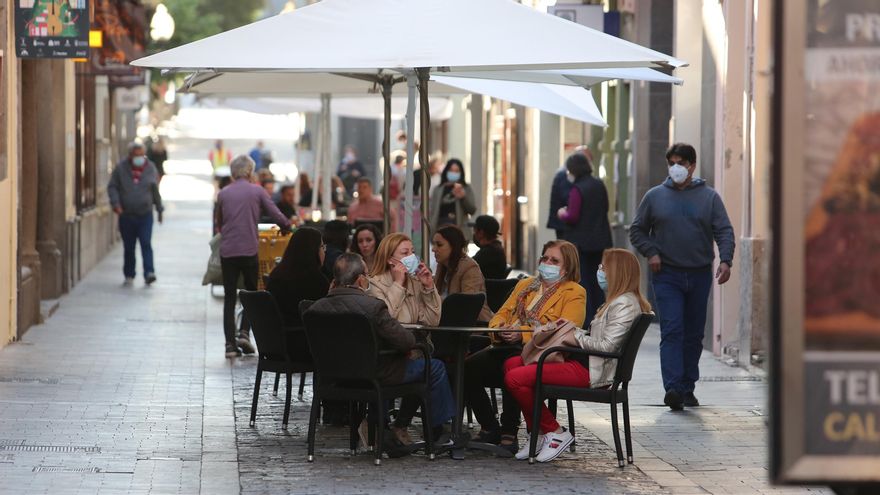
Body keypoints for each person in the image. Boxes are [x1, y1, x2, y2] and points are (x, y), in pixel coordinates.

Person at [503, 248, 652, 462]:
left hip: (591, 371)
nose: (599, 271)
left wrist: (575, 336)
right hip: (584, 361)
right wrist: (571, 330)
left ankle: (554, 433)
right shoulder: (616, 301)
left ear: (617, 272)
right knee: (512, 363)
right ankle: (537, 433)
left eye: (603, 267)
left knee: (515, 378)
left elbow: (608, 347)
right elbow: (600, 338)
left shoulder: (624, 304)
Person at [304, 253, 456, 446]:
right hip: (374, 374)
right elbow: (406, 341)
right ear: (360, 279)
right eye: (366, 275)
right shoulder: (372, 307)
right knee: (434, 367)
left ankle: (381, 428)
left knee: (389, 362)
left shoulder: (314, 309)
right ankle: (437, 433)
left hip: (332, 377)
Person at [629, 143, 735, 411]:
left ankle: (688, 386)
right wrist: (651, 252)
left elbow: (723, 230)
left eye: (681, 162)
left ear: (692, 166)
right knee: (673, 330)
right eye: (671, 162)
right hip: (667, 275)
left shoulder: (709, 198)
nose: (676, 167)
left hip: (699, 274)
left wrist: (726, 259)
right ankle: (673, 388)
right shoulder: (654, 197)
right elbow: (637, 231)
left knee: (693, 334)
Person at [464, 240, 586, 452]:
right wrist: (501, 328)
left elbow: (563, 330)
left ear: (567, 267)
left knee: (512, 363)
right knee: (467, 367)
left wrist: (520, 336)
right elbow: (500, 313)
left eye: (554, 260)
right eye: (545, 258)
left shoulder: (574, 291)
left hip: (540, 352)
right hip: (504, 344)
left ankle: (509, 431)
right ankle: (489, 427)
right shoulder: (524, 285)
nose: (547, 263)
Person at [367, 233, 442, 445]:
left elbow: (432, 321)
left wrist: (428, 287)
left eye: (413, 252)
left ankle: (419, 426)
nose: (412, 257)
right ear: (391, 259)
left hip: (413, 349)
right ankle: (436, 428)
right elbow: (386, 318)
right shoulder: (375, 285)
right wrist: (398, 284)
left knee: (428, 366)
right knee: (430, 368)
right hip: (387, 354)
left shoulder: (416, 283)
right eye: (405, 253)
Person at [216, 155, 291, 358]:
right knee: (251, 294)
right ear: (250, 172)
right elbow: (275, 213)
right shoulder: (257, 191)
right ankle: (244, 333)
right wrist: (287, 225)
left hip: (228, 251)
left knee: (230, 298)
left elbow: (219, 223)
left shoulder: (223, 193)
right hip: (249, 250)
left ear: (233, 173)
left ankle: (230, 346)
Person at [557, 152, 613, 325]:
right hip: (599, 241)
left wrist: (562, 213)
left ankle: (587, 319)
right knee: (597, 281)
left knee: (584, 282)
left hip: (580, 242)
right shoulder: (599, 185)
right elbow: (606, 207)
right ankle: (600, 316)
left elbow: (573, 216)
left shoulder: (577, 189)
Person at [266, 227, 329, 360]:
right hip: (302, 346)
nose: (324, 252)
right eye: (322, 247)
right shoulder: (315, 281)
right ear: (313, 251)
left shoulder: (277, 275)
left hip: (276, 344)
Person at [108, 141, 164, 286]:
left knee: (146, 243)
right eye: (136, 155)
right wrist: (116, 204)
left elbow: (155, 190)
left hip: (145, 214)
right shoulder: (121, 168)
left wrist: (159, 209)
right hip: (126, 215)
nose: (139, 158)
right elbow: (112, 186)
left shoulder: (150, 168)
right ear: (130, 155)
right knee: (129, 246)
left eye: (141, 155)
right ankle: (129, 274)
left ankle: (149, 272)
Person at [432, 225, 493, 322]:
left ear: (453, 246)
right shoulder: (442, 266)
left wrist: (434, 301)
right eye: (433, 244)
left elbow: (467, 306)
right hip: (446, 323)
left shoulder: (470, 268)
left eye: (439, 245)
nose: (433, 249)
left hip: (472, 328)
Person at [547, 146, 591, 238]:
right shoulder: (565, 175)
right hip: (564, 224)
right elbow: (567, 197)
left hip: (565, 222)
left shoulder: (567, 174)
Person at [429, 159, 476, 237]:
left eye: (456, 171)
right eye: (451, 170)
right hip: (441, 230)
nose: (453, 173)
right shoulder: (438, 189)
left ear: (461, 173)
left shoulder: (466, 188)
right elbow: (433, 210)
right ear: (446, 171)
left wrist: (463, 197)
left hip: (460, 231)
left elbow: (472, 210)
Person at [472, 215, 508, 280]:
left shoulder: (488, 252)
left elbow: (466, 266)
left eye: (474, 230)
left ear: (481, 232)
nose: (473, 233)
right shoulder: (496, 248)